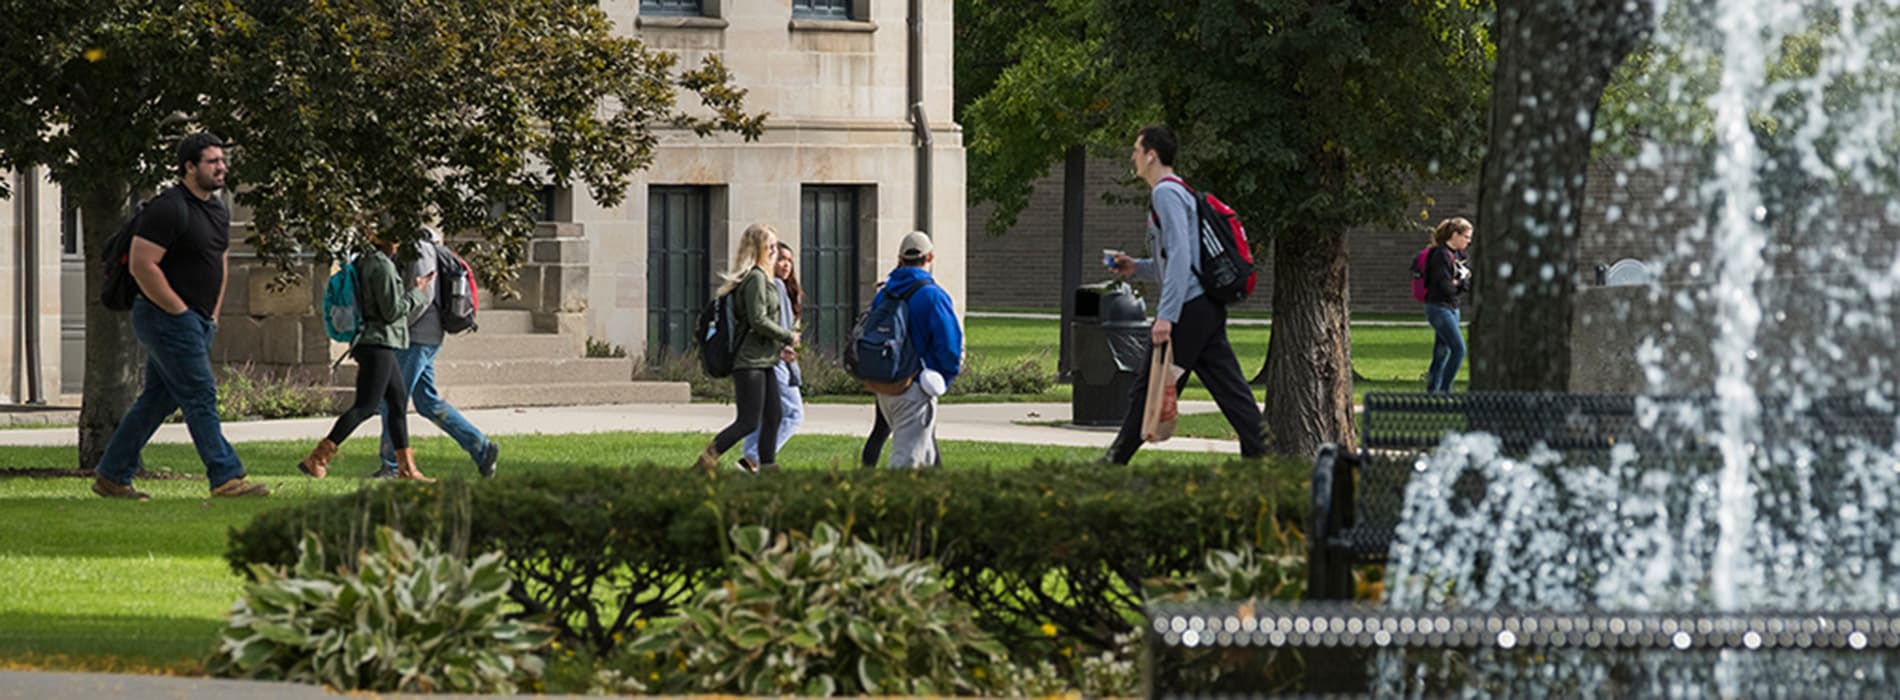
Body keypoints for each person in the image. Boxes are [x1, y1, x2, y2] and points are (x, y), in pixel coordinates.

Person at [92, 132, 271, 500]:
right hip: (164, 317)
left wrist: (211, 315)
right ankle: (226, 476)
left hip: (197, 320)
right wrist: (179, 309)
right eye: (212, 162)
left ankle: (112, 474)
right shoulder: (168, 208)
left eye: (222, 161)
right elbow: (144, 265)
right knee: (200, 393)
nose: (221, 167)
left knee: (158, 399)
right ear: (190, 167)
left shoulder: (217, 209)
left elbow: (219, 260)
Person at [1104, 125, 1267, 464]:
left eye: (1136, 150)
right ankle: (1262, 456)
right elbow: (1175, 260)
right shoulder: (1177, 191)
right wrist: (1137, 267)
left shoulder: (1165, 192)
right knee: (1231, 391)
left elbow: (1180, 255)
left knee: (1148, 388)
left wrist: (1166, 315)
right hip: (1203, 307)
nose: (1132, 157)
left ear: (1152, 155)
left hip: (1189, 311)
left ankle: (1113, 462)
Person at [296, 230, 435, 481]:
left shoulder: (365, 260)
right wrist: (418, 291)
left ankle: (406, 469)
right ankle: (317, 458)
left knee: (397, 401)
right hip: (376, 341)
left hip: (375, 341)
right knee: (366, 406)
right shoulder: (380, 266)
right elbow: (393, 310)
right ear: (391, 242)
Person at [370, 231, 501, 479]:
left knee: (392, 400)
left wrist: (396, 324)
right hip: (421, 335)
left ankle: (392, 465)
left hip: (418, 336)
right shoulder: (415, 245)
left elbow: (424, 295)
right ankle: (482, 449)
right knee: (427, 402)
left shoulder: (419, 247)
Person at [694, 224, 798, 474]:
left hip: (766, 360)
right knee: (748, 422)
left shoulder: (764, 278)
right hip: (750, 362)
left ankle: (768, 468)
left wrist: (780, 349)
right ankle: (703, 463)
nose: (775, 251)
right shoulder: (755, 279)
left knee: (774, 416)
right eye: (770, 246)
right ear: (758, 249)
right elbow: (757, 320)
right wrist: (787, 335)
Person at [870, 231, 962, 469]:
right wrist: (939, 380)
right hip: (916, 386)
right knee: (906, 463)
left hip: (885, 386)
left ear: (900, 258)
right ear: (930, 257)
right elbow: (950, 346)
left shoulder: (885, 294)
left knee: (928, 459)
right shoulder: (933, 296)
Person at [738, 242, 805, 474]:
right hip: (777, 360)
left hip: (770, 358)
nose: (786, 264)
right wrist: (786, 345)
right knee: (794, 414)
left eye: (790, 260)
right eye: (781, 258)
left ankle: (750, 463)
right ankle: (751, 460)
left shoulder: (776, 287)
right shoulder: (774, 286)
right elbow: (773, 326)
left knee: (761, 418)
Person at [1422, 217, 1473, 393]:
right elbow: (1444, 286)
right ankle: (1444, 390)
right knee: (1459, 349)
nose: (1468, 241)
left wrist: (1458, 282)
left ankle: (1432, 391)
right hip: (1438, 307)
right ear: (1454, 235)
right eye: (1466, 237)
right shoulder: (1441, 255)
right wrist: (1459, 283)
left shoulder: (1461, 256)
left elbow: (1465, 283)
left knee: (1441, 352)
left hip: (1453, 308)